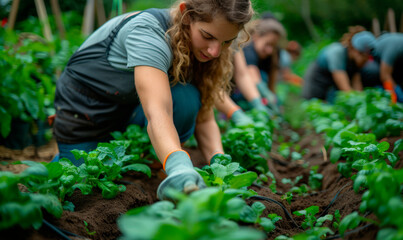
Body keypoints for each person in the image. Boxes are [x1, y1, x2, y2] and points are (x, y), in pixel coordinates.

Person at [52, 0, 253, 200]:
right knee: (78, 188)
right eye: (207, 36)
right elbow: (158, 111)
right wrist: (178, 164)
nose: (215, 51)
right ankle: (61, 161)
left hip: (125, 111)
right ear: (186, 14)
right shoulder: (148, 32)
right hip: (84, 116)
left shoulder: (203, 47)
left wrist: (222, 165)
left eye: (226, 42)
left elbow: (205, 117)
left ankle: (158, 168)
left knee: (186, 98)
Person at [302, 26, 371, 101]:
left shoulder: (354, 62)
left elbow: (357, 86)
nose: (365, 60)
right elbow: (345, 89)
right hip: (317, 80)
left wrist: (362, 100)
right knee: (313, 105)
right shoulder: (337, 52)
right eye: (362, 55)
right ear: (353, 48)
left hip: (329, 83)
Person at [352, 31, 403, 103]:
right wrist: (394, 98)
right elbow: (385, 77)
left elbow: (386, 76)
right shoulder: (391, 48)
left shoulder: (394, 46)